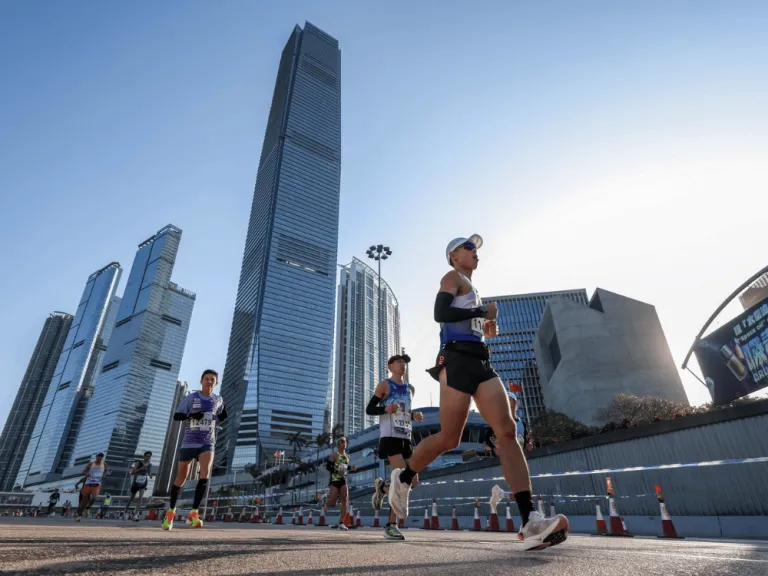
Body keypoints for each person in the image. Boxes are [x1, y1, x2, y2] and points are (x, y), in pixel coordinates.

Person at [386, 235, 569, 551]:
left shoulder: (473, 290)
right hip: (455, 359)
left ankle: (530, 521)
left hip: (480, 360)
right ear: (453, 256)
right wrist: (483, 312)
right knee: (448, 438)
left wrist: (485, 328)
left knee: (507, 430)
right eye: (468, 248)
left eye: (476, 249)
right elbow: (441, 313)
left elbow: (472, 321)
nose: (474, 252)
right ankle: (402, 480)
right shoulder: (452, 277)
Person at [162, 369, 226, 530]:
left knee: (205, 472)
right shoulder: (192, 398)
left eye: (212, 379)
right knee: (181, 478)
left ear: (216, 382)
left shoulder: (218, 399)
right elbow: (177, 416)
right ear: (201, 381)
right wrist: (192, 416)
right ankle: (170, 513)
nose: (209, 381)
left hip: (207, 442)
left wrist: (215, 418)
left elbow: (223, 415)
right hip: (189, 442)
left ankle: (194, 513)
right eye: (206, 379)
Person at [368, 354, 423, 540]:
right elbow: (370, 409)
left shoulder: (410, 389)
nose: (403, 364)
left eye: (405, 362)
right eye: (399, 361)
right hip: (390, 436)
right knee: (401, 480)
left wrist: (413, 415)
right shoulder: (384, 385)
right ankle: (391, 526)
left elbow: (404, 410)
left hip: (406, 437)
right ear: (390, 366)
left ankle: (383, 488)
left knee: (413, 481)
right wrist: (385, 409)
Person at [325, 437, 356, 531]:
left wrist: (351, 468)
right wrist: (336, 470)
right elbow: (328, 467)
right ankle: (326, 501)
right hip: (334, 481)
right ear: (338, 444)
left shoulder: (347, 456)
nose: (344, 443)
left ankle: (341, 523)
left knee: (345, 500)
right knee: (333, 503)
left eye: (345, 441)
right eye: (342, 441)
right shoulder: (335, 455)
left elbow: (345, 467)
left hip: (343, 480)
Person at [74, 452, 109, 521]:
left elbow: (106, 472)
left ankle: (88, 507)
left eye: (102, 456)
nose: (100, 457)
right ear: (96, 456)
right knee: (83, 502)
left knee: (95, 498)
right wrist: (87, 474)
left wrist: (106, 475)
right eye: (99, 456)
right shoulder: (91, 464)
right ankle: (79, 515)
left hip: (96, 484)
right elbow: (83, 472)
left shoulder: (104, 464)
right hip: (88, 484)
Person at [124, 451, 154, 521]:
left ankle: (136, 515)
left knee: (140, 499)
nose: (148, 457)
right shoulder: (138, 462)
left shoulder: (150, 464)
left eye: (149, 456)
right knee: (131, 498)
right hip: (136, 482)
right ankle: (125, 511)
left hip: (143, 482)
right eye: (147, 456)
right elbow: (132, 472)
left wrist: (150, 475)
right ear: (144, 456)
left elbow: (149, 472)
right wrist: (140, 469)